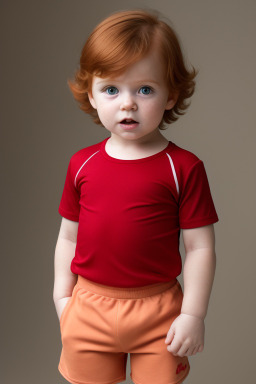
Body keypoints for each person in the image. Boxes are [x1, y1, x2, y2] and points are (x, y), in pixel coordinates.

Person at [53, 8, 219, 384]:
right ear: (92, 95)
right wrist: (62, 300)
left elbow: (200, 248)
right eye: (111, 89)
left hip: (159, 311)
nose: (127, 103)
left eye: (144, 89)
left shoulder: (183, 168)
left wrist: (193, 314)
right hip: (89, 306)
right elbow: (68, 236)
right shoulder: (82, 164)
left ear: (171, 94)